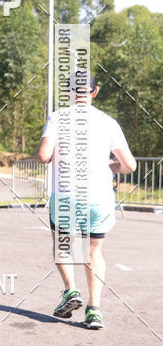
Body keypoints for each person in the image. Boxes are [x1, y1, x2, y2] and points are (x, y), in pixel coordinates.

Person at [36, 71, 136, 329]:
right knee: (94, 251)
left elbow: (44, 155)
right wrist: (109, 167)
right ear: (95, 91)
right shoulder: (108, 122)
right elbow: (130, 165)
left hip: (66, 195)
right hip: (98, 197)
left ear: (69, 92)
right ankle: (94, 310)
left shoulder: (57, 118)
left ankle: (70, 291)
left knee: (63, 243)